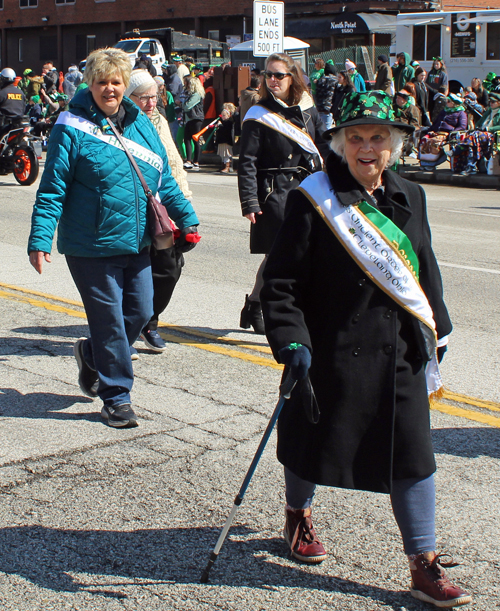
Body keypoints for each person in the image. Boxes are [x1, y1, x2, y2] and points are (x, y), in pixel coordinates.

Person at [260, 89, 472, 609]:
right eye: (356, 137)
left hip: (396, 350)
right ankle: (297, 514)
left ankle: (423, 562)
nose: (367, 147)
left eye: (378, 137)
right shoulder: (310, 200)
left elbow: (423, 269)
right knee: (312, 439)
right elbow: (280, 283)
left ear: (395, 144)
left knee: (414, 453)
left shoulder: (410, 195)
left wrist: (436, 332)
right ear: (339, 143)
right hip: (329, 345)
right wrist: (291, 341)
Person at [27, 48, 199, 428]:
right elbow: (52, 187)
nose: (110, 89)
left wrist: (187, 218)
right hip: (90, 245)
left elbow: (162, 179)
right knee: (108, 321)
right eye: (102, 82)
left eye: (116, 82)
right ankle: (117, 397)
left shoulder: (140, 123)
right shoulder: (70, 126)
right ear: (90, 83)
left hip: (136, 240)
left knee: (139, 311)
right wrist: (40, 238)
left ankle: (91, 355)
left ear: (125, 85)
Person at [237, 52, 330, 334]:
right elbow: (248, 161)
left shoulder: (307, 107)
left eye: (279, 75)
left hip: (306, 188)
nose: (273, 80)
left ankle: (255, 303)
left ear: (293, 78)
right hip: (274, 191)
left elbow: (320, 147)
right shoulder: (258, 112)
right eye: (268, 75)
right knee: (281, 254)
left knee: (297, 252)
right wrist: (249, 201)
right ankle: (278, 309)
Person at [124, 69, 196, 352]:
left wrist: (186, 208)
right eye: (144, 97)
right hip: (138, 210)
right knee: (134, 271)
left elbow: (173, 164)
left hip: (167, 206)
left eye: (155, 97)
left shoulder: (159, 122)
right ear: (128, 97)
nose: (151, 103)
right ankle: (127, 328)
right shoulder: (121, 125)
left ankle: (149, 322)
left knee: (169, 268)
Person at [181, 76, 205, 171]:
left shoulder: (196, 95)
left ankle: (196, 161)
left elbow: (187, 106)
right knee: (187, 139)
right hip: (190, 119)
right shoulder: (191, 94)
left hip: (196, 119)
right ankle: (189, 160)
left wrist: (181, 104)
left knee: (196, 140)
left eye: (190, 84)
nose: (188, 85)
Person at [0, 68, 26, 141]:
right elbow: (24, 108)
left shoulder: (2, 93)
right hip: (19, 123)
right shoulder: (21, 92)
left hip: (5, 125)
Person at [315, 62, 337, 130]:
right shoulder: (335, 80)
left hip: (319, 107)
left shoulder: (320, 80)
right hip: (329, 108)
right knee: (327, 129)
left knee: (321, 129)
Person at [214, 103, 236, 173]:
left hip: (226, 141)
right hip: (221, 141)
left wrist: (220, 125)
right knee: (222, 154)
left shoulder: (229, 122)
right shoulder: (222, 122)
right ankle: (223, 166)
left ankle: (227, 166)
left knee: (227, 154)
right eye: (222, 115)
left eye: (224, 115)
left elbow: (225, 130)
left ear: (229, 115)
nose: (222, 117)